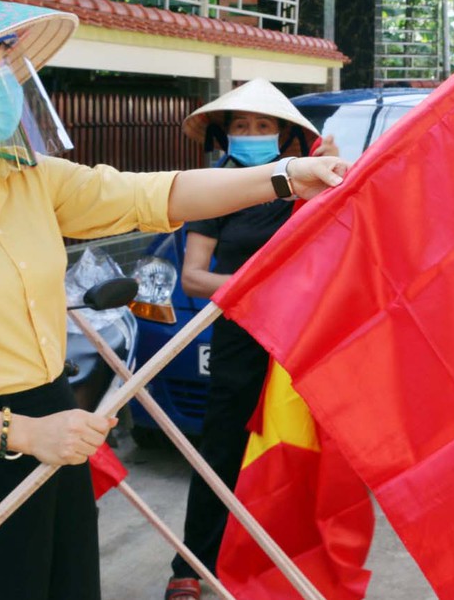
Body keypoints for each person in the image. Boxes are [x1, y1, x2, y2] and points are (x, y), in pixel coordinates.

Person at [0, 0, 348, 600]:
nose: (6, 85)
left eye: (8, 67)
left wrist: (281, 178)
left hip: (57, 424)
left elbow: (149, 196)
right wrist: (23, 434)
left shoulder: (26, 177)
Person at [164, 79, 335, 600]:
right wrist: (264, 289)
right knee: (221, 449)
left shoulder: (307, 187)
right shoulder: (214, 190)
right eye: (241, 126)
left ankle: (284, 560)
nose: (253, 133)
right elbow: (194, 276)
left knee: (298, 451)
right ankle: (189, 565)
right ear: (224, 134)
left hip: (302, 340)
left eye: (264, 126)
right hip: (240, 338)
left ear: (285, 136)